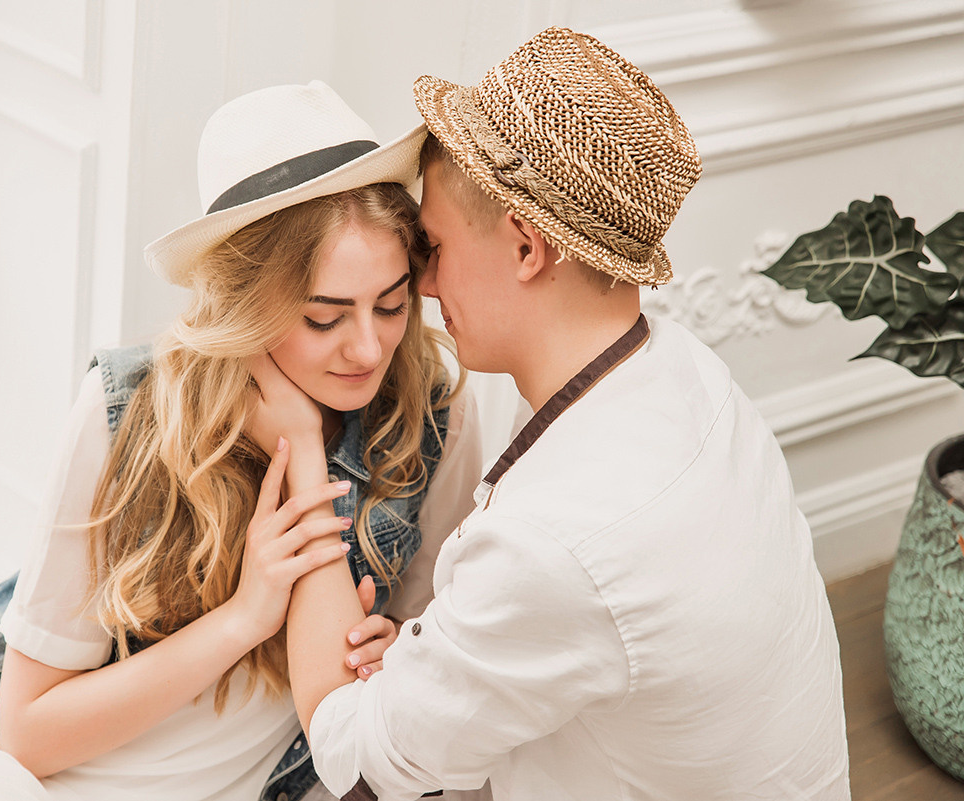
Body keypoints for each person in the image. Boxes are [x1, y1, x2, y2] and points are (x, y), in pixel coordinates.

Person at [0, 81, 484, 801]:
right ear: (247, 304)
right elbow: (28, 732)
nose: (368, 347)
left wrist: (396, 637)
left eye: (393, 302)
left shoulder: (431, 416)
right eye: (323, 317)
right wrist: (247, 614)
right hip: (44, 766)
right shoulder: (125, 413)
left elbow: (391, 690)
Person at [278, 28, 852, 801]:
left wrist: (301, 444)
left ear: (526, 248)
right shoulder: (690, 369)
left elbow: (355, 750)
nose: (422, 286)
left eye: (434, 247)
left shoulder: (553, 541)